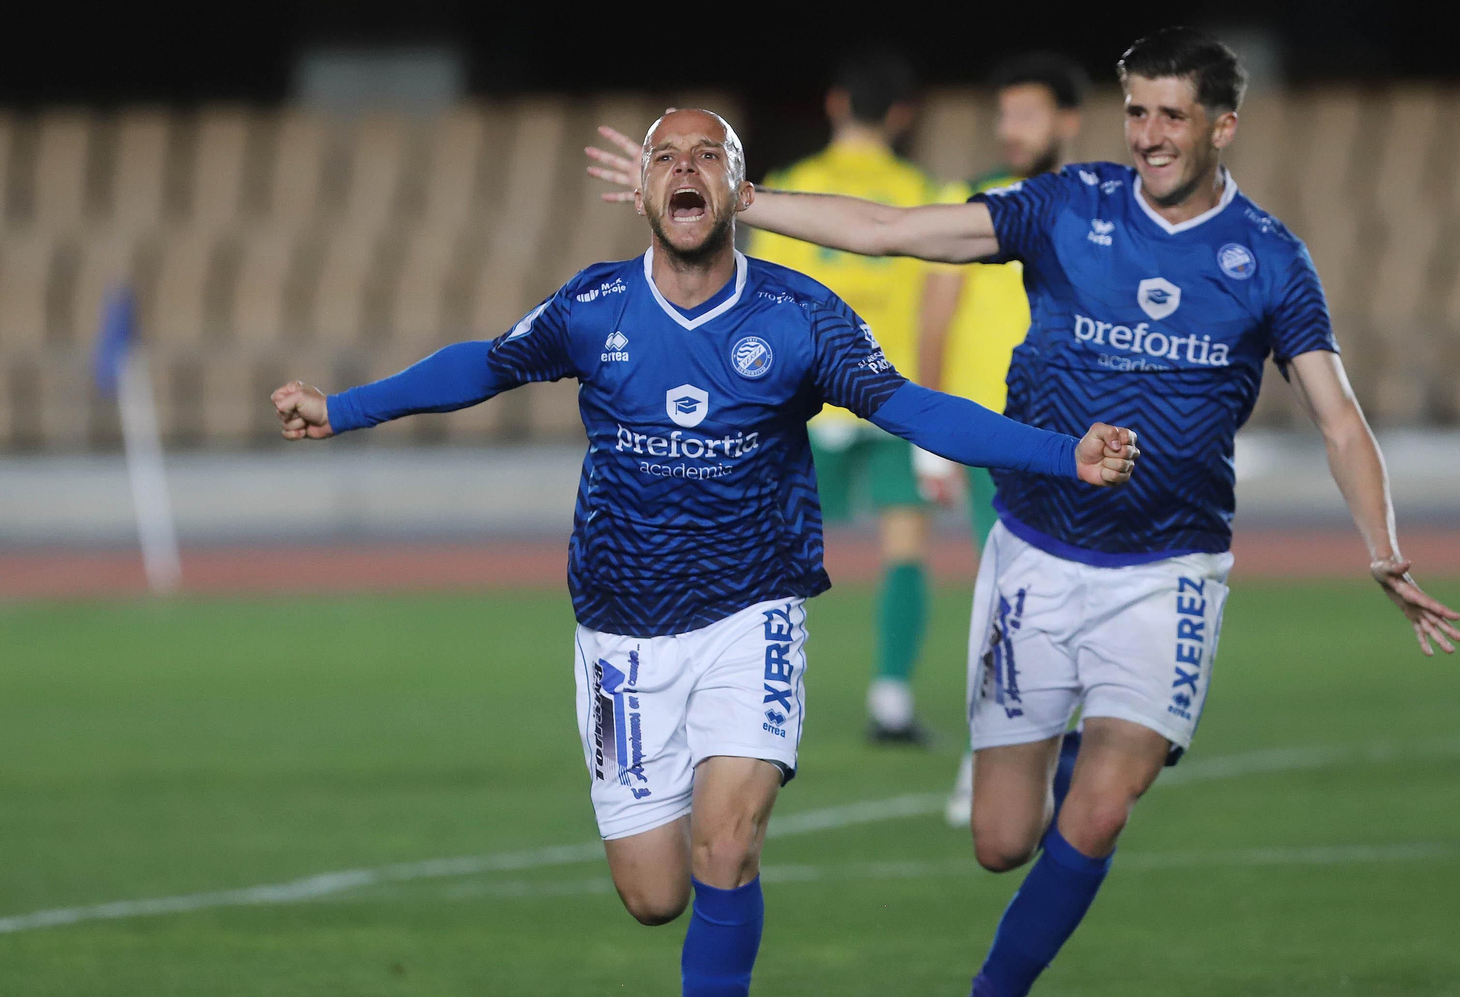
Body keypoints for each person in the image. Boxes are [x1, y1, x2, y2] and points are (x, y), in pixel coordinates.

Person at [584, 31, 1460, 997]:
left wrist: (1382, 547)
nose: (1150, 134)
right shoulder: (1066, 206)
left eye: (1173, 116)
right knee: (1001, 841)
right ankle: (1081, 747)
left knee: (1101, 809)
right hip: (1036, 552)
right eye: (1137, 111)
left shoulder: (1268, 259)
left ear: (1223, 126)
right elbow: (896, 230)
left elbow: (1338, 418)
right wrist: (741, 199)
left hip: (1170, 567)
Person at [276, 108, 1139, 997]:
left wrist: (1061, 453)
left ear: (737, 188)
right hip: (621, 625)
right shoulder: (594, 305)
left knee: (727, 843)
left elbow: (915, 408)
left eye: (706, 156)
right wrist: (342, 409)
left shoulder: (800, 315)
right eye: (665, 157)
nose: (685, 168)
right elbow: (484, 365)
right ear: (642, 191)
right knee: (654, 895)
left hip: (750, 610)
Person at [747, 49, 949, 744]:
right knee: (905, 548)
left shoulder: (787, 188)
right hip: (892, 395)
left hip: (806, 400)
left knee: (770, 553)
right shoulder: (925, 191)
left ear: (835, 103)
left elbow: (762, 303)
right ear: (903, 115)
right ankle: (891, 701)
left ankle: (755, 695)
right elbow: (936, 314)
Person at [912, 51, 1089, 825]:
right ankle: (987, 765)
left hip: (1077, 438)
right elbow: (934, 317)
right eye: (1004, 115)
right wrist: (926, 439)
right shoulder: (970, 203)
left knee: (1073, 606)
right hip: (992, 436)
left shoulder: (1096, 208)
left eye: (1027, 114)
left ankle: (1039, 759)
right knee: (1013, 604)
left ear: (1067, 121)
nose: (1010, 129)